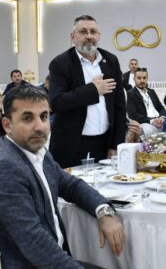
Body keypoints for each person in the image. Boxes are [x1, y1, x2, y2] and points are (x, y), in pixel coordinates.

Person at [0, 85, 125, 269]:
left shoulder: (35, 151)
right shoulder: (5, 168)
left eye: (44, 116)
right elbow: (34, 241)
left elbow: (71, 185)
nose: (39, 127)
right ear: (7, 124)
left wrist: (103, 211)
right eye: (27, 118)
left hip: (49, 266)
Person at [48, 15, 126, 168]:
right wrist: (93, 90)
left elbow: (119, 106)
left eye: (93, 32)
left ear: (99, 36)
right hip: (72, 145)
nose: (89, 36)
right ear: (73, 37)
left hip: (104, 144)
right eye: (83, 31)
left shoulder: (111, 60)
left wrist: (115, 144)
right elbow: (57, 102)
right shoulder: (60, 63)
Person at [126, 67, 166, 137]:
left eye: (144, 78)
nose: (142, 80)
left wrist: (162, 117)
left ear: (147, 79)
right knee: (148, 130)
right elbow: (133, 114)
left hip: (159, 121)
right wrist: (152, 121)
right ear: (134, 79)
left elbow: (161, 107)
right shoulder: (131, 93)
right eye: (139, 78)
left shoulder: (152, 91)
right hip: (145, 122)